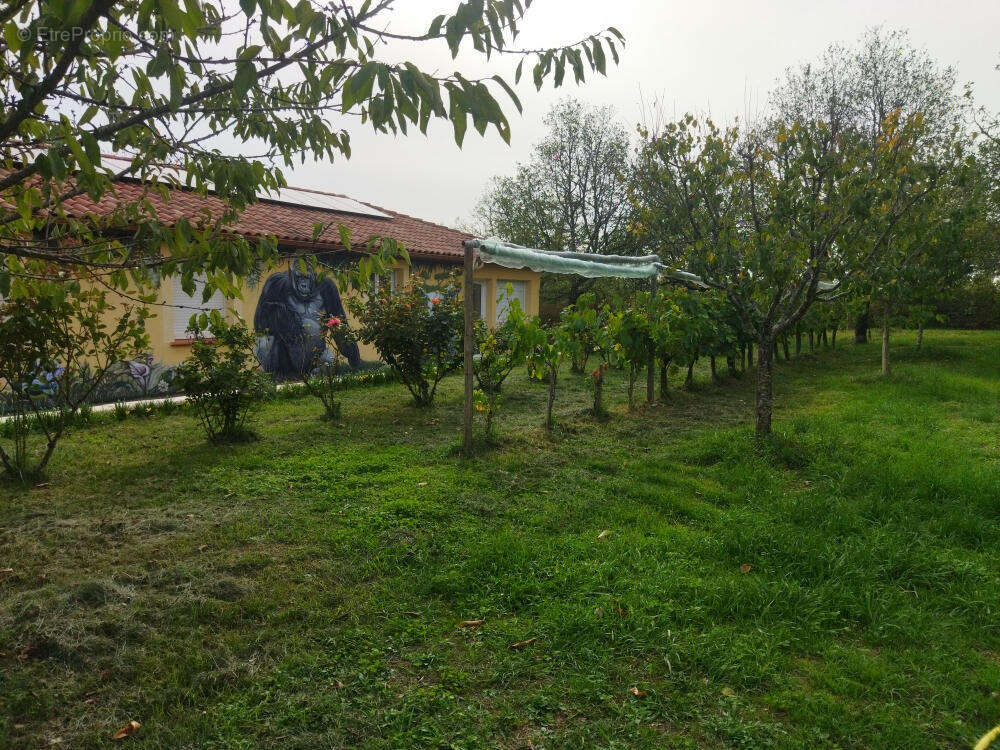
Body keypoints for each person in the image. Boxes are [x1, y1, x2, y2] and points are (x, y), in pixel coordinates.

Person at [253, 263, 361, 379]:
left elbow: (340, 325)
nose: (304, 285)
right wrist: (287, 322)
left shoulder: (326, 287)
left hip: (315, 355)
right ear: (292, 277)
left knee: (329, 362)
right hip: (283, 353)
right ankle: (279, 374)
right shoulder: (277, 285)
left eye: (307, 278)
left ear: (314, 277)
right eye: (299, 277)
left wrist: (354, 359)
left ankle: (309, 379)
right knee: (263, 343)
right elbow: (260, 324)